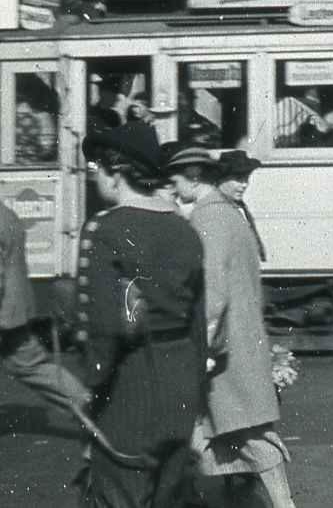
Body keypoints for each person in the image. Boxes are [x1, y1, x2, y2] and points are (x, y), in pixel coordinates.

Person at [75, 122, 206, 507]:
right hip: (181, 382)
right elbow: (198, 323)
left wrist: (91, 386)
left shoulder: (104, 229)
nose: (96, 177)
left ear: (116, 174)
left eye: (98, 168)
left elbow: (102, 329)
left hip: (130, 385)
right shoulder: (185, 230)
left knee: (120, 494)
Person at [164, 146, 297, 508]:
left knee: (247, 435)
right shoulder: (231, 217)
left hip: (223, 351)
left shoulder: (209, 221)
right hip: (242, 342)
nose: (173, 188)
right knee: (216, 432)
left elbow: (212, 296)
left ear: (193, 178)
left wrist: (201, 350)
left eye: (175, 180)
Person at [0, 185, 90, 415]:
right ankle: (85, 401)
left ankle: (86, 404)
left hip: (4, 310)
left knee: (30, 364)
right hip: (15, 311)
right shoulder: (6, 214)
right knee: (32, 365)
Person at [217, 150, 266, 262]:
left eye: (246, 179)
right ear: (221, 179)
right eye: (239, 179)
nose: (244, 185)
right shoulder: (217, 209)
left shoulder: (240, 207)